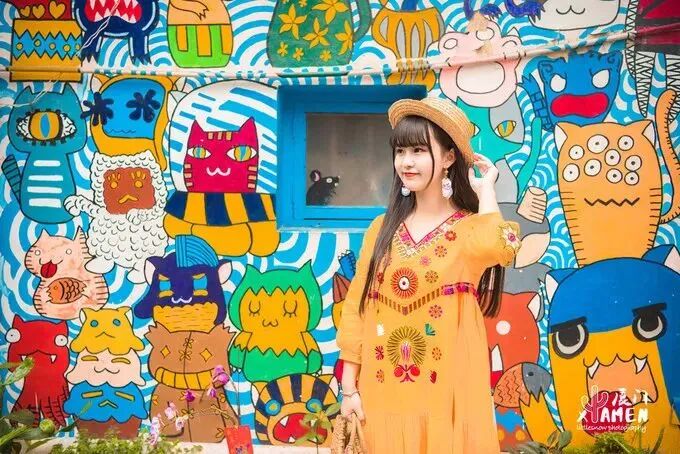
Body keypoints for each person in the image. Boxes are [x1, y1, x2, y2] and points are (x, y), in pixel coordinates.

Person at [336, 96, 521, 453]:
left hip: (448, 398)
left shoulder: (469, 229)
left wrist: (486, 192)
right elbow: (357, 309)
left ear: (449, 157)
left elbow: (502, 247)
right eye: (400, 151)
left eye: (419, 150)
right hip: (383, 393)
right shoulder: (380, 230)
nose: (406, 161)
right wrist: (349, 388)